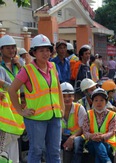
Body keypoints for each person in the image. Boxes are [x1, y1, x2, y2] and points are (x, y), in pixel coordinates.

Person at [8, 34, 64, 163]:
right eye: (41, 50)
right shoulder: (27, 70)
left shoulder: (53, 67)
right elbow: (12, 90)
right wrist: (21, 111)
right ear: (34, 52)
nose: (45, 53)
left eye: (48, 50)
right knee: (36, 151)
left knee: (55, 152)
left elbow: (58, 90)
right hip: (36, 119)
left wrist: (62, 108)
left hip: (54, 116)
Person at [0, 35, 24, 163]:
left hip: (17, 109)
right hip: (6, 111)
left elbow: (26, 81)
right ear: (1, 50)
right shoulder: (0, 67)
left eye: (13, 48)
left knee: (15, 142)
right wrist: (11, 87)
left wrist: (20, 66)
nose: (11, 51)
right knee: (5, 143)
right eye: (8, 48)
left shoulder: (18, 64)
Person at [82, 88, 116, 163]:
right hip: (91, 143)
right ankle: (106, 160)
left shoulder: (112, 114)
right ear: (93, 102)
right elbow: (85, 132)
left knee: (99, 149)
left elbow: (112, 131)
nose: (99, 103)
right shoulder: (88, 114)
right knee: (95, 143)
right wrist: (92, 136)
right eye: (96, 100)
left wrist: (102, 137)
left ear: (106, 102)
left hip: (108, 143)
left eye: (102, 100)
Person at [60, 82, 86, 163]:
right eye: (63, 96)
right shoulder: (56, 109)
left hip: (76, 136)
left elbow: (83, 128)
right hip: (61, 136)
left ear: (73, 97)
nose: (67, 99)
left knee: (77, 142)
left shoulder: (79, 108)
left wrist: (71, 138)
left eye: (70, 96)